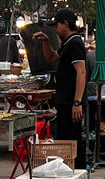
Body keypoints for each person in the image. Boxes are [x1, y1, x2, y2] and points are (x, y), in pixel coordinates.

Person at [33, 9, 87, 169]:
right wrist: (46, 41)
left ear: (65, 24)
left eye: (56, 25)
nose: (55, 28)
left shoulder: (75, 43)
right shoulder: (67, 44)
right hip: (65, 102)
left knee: (71, 141)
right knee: (67, 139)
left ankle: (75, 172)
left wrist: (77, 102)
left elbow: (81, 72)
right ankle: (73, 171)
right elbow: (50, 58)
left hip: (71, 102)